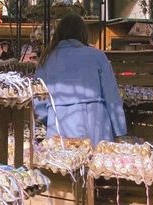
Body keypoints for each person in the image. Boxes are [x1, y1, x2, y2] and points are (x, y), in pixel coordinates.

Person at [34, 13, 126, 146]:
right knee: (95, 163)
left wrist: (47, 117)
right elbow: (112, 96)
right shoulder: (97, 56)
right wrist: (119, 130)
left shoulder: (47, 60)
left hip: (59, 125)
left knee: (62, 164)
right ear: (83, 33)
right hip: (96, 126)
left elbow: (38, 100)